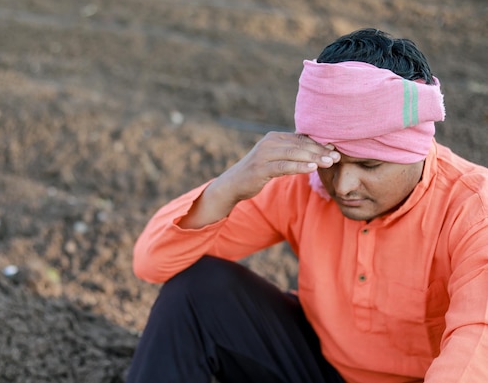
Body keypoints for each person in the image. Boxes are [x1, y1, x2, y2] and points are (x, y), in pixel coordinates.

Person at [125, 28, 488, 383]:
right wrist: (230, 185)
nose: (344, 186)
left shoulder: (474, 212)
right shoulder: (304, 181)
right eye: (332, 162)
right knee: (195, 291)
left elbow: (474, 352)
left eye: (369, 166)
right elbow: (151, 262)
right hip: (321, 366)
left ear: (416, 150)